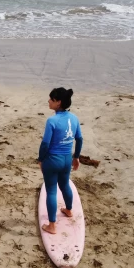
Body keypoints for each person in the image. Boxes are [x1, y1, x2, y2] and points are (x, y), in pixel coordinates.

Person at [37, 87, 83, 234]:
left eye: (52, 99)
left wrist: (41, 159)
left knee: (51, 191)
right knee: (64, 185)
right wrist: (76, 157)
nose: (49, 101)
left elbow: (45, 143)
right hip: (66, 160)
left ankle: (52, 225)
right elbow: (79, 139)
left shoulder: (52, 121)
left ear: (58, 103)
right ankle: (69, 210)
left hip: (52, 159)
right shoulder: (74, 118)